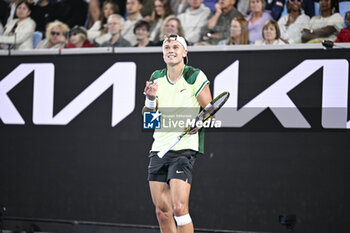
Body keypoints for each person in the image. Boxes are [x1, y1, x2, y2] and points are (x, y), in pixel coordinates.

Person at [143, 34, 212, 233]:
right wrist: (150, 99)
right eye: (167, 47)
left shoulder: (194, 75)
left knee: (179, 209)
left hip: (184, 150)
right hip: (159, 149)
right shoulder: (156, 77)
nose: (170, 50)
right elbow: (149, 120)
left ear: (184, 53)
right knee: (162, 211)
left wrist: (199, 121)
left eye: (175, 47)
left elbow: (210, 110)